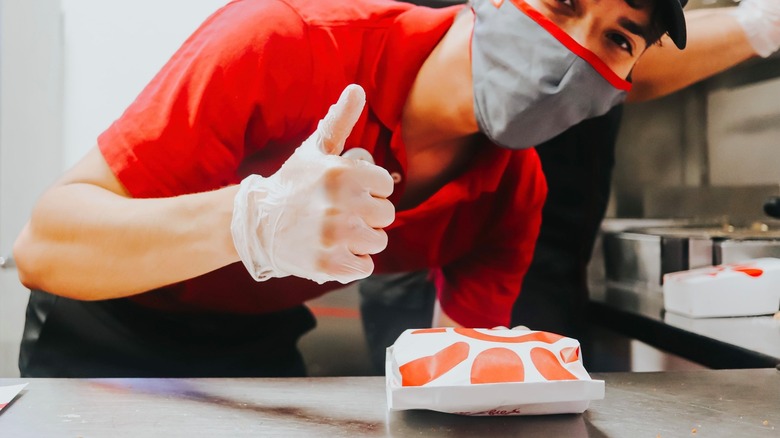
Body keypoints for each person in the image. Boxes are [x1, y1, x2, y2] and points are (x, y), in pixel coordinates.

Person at [13, 0, 691, 377]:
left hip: (256, 347)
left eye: (618, 39)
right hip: (104, 331)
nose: (572, 49)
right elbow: (45, 245)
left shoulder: (511, 194)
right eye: (562, 2)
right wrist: (253, 221)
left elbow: (461, 370)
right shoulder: (287, 42)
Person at [360, 0, 780, 373]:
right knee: (450, 395)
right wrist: (758, 24)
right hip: (444, 250)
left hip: (546, 248)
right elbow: (588, 50)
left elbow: (623, 50)